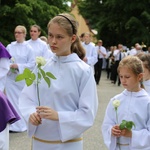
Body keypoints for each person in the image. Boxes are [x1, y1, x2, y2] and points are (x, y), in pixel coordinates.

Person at [19, 13, 98, 150]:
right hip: (41, 141)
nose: (53, 41)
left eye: (59, 37)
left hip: (68, 144)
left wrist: (59, 116)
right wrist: (31, 114)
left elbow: (88, 113)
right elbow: (27, 98)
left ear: (72, 38)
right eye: (50, 35)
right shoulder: (41, 67)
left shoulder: (82, 71)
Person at [102, 55, 150, 150]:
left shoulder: (147, 102)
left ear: (139, 76)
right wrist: (111, 130)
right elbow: (107, 124)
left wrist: (132, 134)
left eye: (127, 77)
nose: (123, 80)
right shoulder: (115, 100)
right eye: (121, 76)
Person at [5, 25, 35, 132]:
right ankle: (12, 125)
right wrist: (9, 66)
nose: (17, 34)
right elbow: (5, 60)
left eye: (19, 32)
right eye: (15, 32)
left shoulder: (28, 48)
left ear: (24, 34)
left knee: (20, 101)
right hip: (10, 79)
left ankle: (21, 124)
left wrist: (18, 66)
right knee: (11, 101)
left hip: (21, 79)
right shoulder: (10, 46)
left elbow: (32, 64)